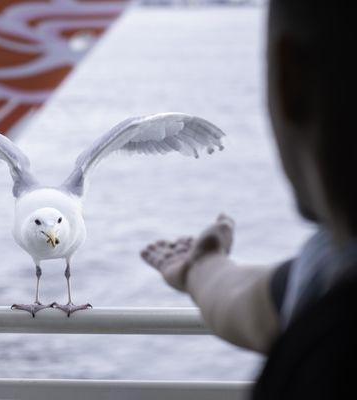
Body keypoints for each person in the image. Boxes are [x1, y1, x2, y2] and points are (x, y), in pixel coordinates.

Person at [141, 1, 355, 399]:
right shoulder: (328, 268)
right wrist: (203, 267)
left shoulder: (330, 324)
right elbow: (247, 302)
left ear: (290, 79)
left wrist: (200, 268)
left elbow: (252, 306)